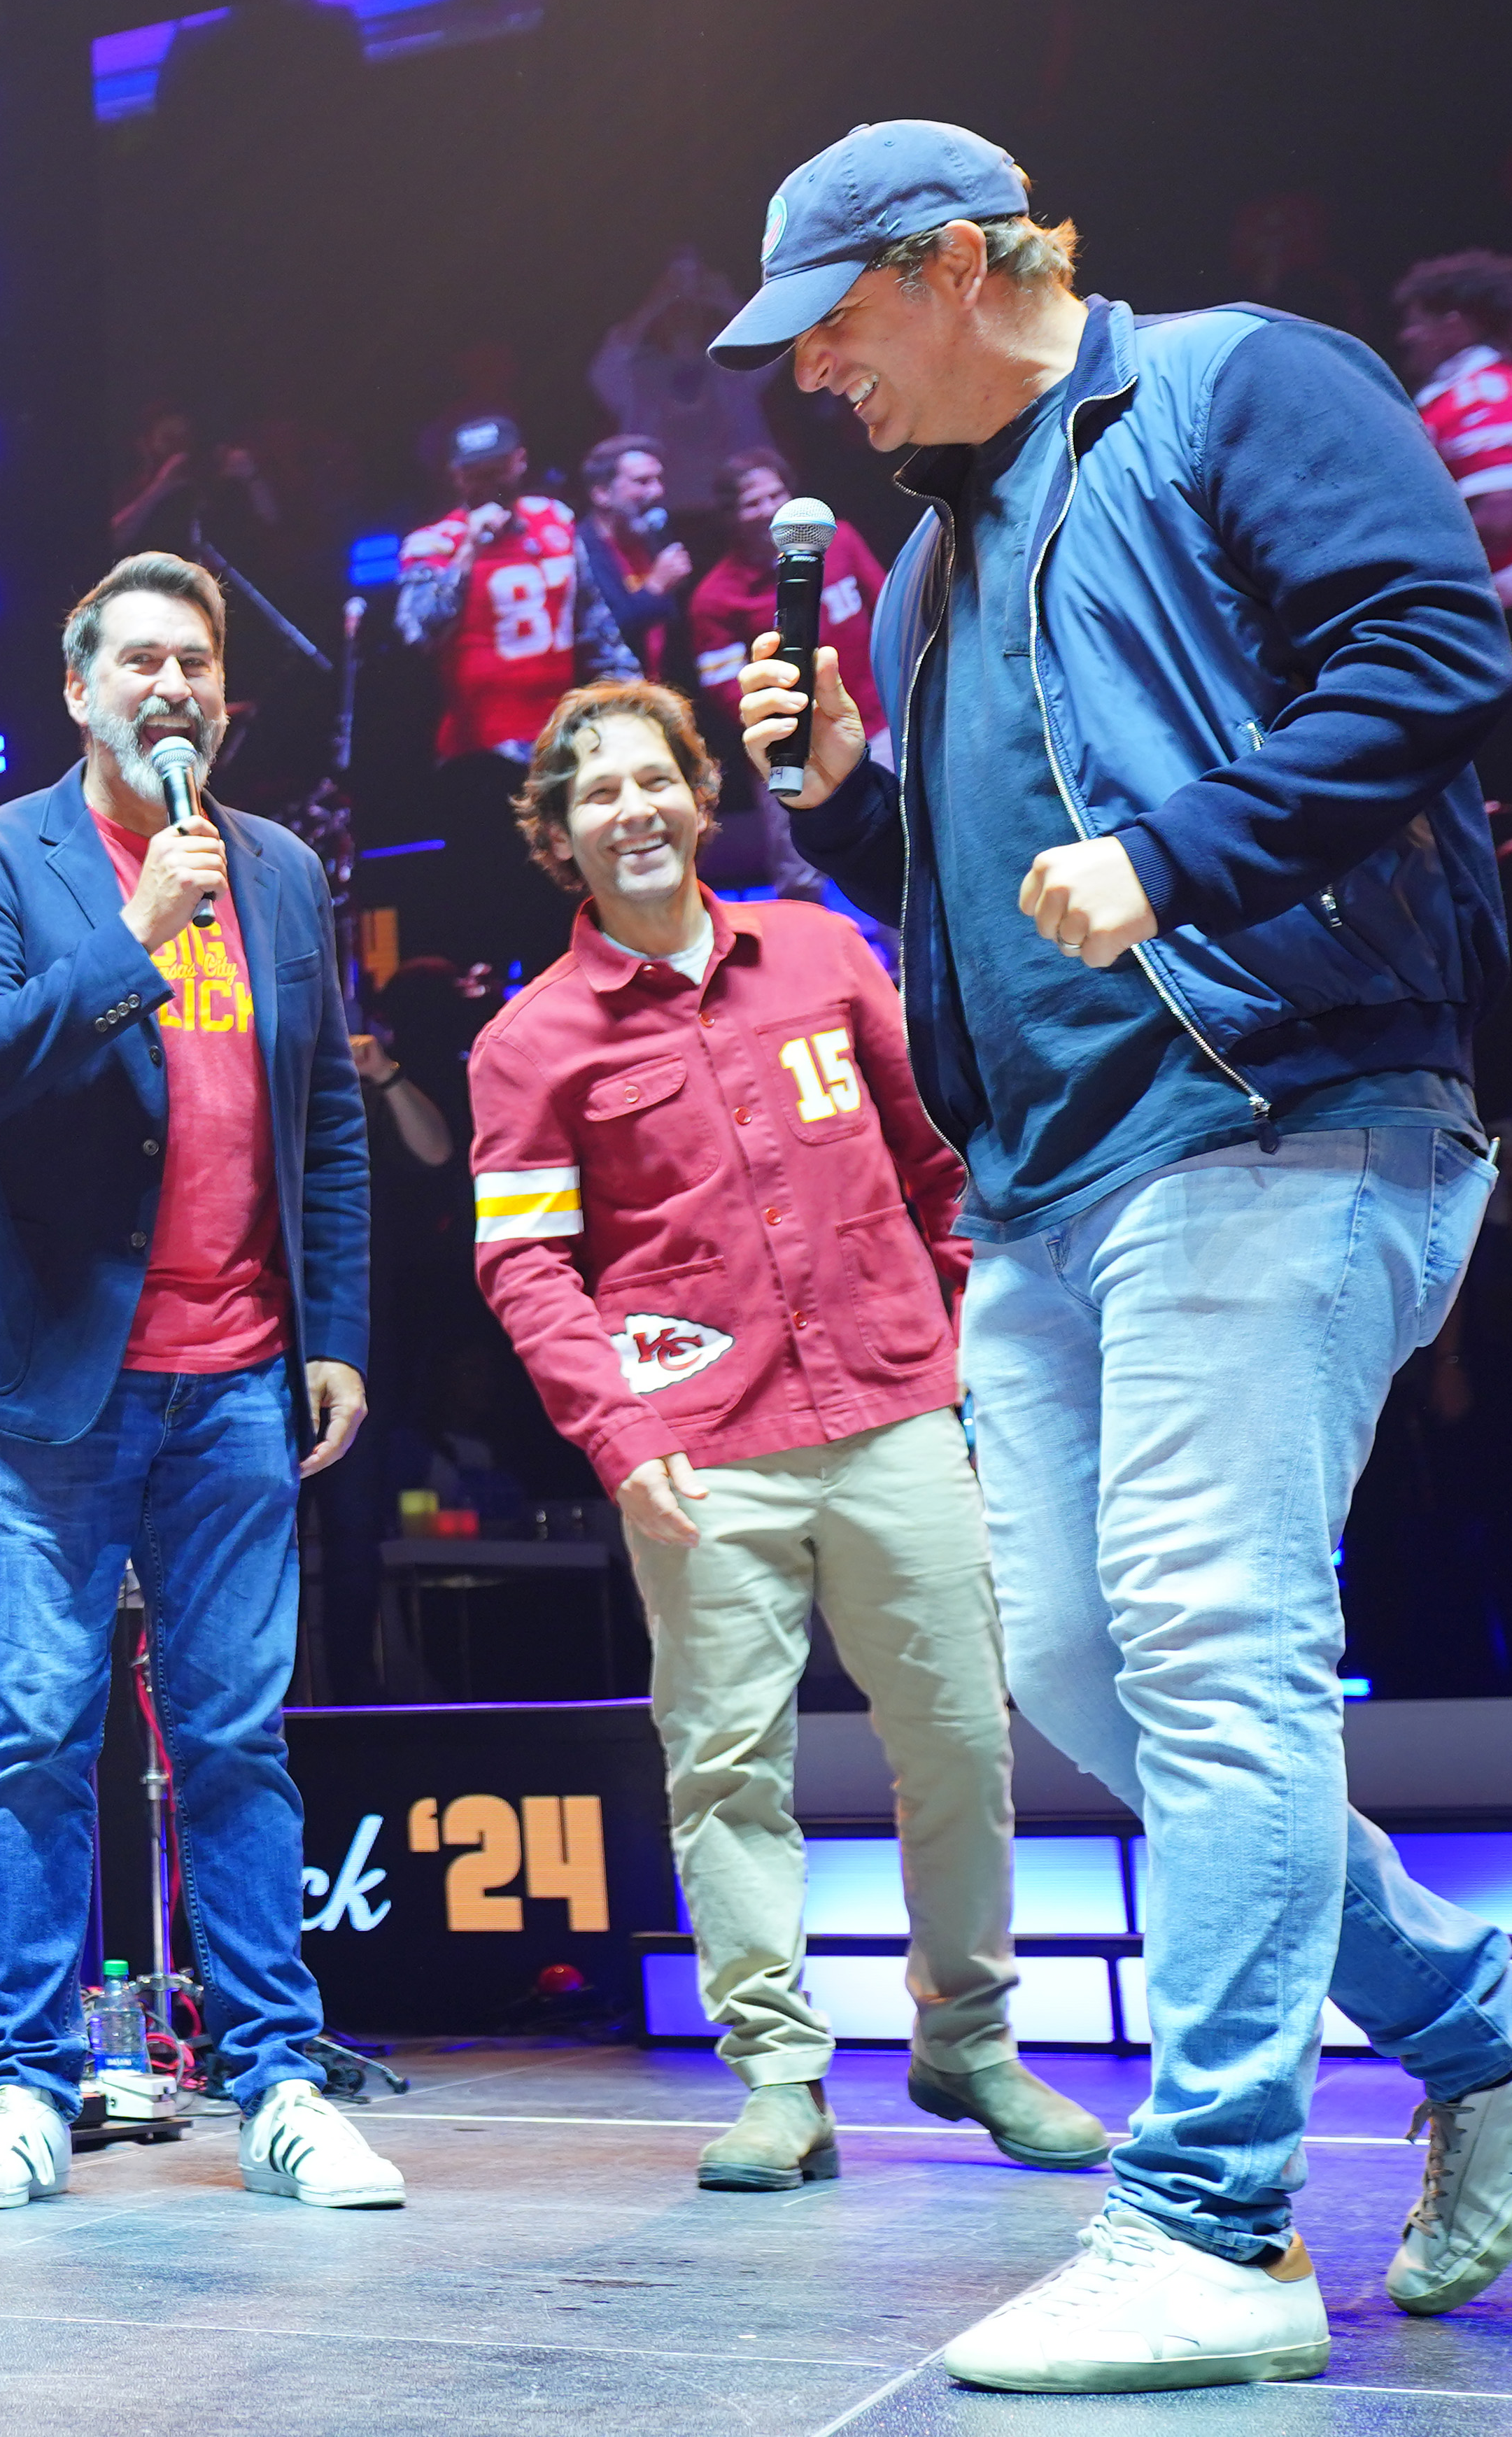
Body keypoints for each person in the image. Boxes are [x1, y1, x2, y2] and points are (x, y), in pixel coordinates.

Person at [727, 118, 1512, 2392]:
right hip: (1050, 1190)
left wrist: (1184, 854)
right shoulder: (913, 574)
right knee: (1080, 1671)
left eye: (838, 326)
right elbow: (981, 897)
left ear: (959, 260)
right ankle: (1480, 2022)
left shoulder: (1239, 387)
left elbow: (1431, 654)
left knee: (1205, 1631)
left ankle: (1213, 2211)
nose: (813, 384)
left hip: (1273, 1113)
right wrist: (849, 805)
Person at [465, 681, 1102, 2193]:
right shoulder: (528, 1040)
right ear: (556, 839)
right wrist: (618, 1434)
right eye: (593, 794)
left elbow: (939, 1158)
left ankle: (971, 2038)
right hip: (698, 1450)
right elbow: (527, 1264)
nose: (630, 809)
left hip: (893, 1404)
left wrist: (963, 1335)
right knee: (725, 1764)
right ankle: (775, 2074)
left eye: (652, 779)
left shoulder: (823, 952)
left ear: (701, 795)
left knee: (956, 1735)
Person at [0, 550, 394, 2217]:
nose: (171, 686)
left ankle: (277, 2077)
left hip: (240, 1377)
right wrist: (131, 934)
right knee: (38, 1736)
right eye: (138, 662)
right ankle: (26, 2084)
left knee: (238, 1739)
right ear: (76, 688)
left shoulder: (276, 872)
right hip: (55, 1385)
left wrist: (334, 1332)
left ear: (224, 701)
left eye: (196, 664)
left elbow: (324, 1115)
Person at [395, 414, 635, 766]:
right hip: (480, 747)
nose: (488, 482)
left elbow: (594, 622)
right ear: (456, 475)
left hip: (562, 734)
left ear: (520, 461)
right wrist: (468, 553)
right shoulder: (432, 544)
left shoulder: (555, 520)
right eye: (475, 473)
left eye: (498, 468)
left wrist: (633, 697)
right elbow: (420, 631)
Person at [688, 448, 890, 756]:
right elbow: (726, 687)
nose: (770, 509)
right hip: (797, 746)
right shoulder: (714, 597)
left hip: (880, 723)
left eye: (776, 495)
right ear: (731, 517)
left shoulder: (839, 540)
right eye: (753, 503)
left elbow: (890, 613)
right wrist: (781, 725)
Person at [1392, 250, 1512, 621]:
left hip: (1510, 607)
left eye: (1416, 322)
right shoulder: (1489, 388)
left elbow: (1499, 513)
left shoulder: (1481, 395)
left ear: (1453, 326)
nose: (1407, 336)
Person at [588, 248, 775, 505]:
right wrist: (656, 301)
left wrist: (725, 299)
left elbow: (773, 346)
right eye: (674, 312)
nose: (684, 320)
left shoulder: (732, 363)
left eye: (694, 312)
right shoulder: (636, 372)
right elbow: (607, 365)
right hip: (661, 506)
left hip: (735, 507)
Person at [575, 435, 694, 689]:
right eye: (642, 482)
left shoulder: (653, 540)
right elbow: (601, 635)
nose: (657, 491)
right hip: (612, 697)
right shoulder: (580, 552)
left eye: (659, 480)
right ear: (601, 493)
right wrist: (655, 588)